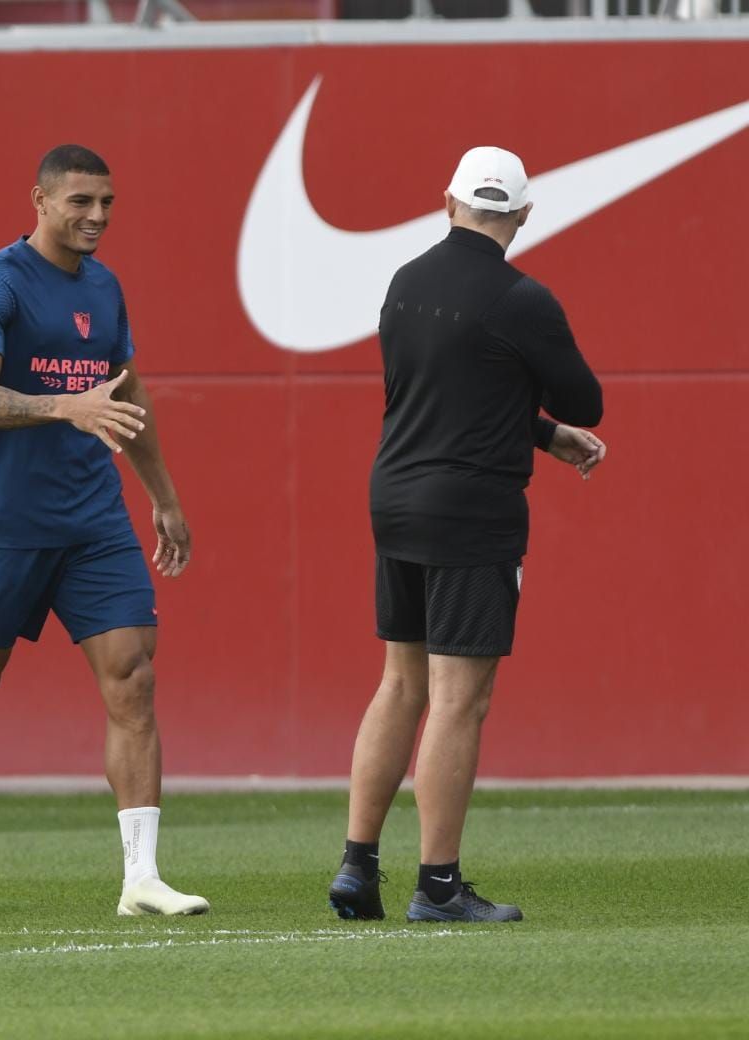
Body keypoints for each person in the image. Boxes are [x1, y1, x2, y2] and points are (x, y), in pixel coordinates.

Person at [0, 144, 207, 918]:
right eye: (80, 202)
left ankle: (140, 878)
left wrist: (162, 495)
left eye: (107, 204)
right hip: (7, 528)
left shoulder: (106, 287)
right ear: (40, 198)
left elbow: (127, 396)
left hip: (95, 523)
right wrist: (67, 406)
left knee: (134, 676)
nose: (96, 217)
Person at [328, 147, 606, 924]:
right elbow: (588, 397)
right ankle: (439, 887)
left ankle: (357, 866)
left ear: (447, 202)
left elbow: (447, 394)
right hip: (472, 511)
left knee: (400, 683)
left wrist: (541, 435)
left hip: (396, 498)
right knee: (459, 698)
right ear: (521, 215)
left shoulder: (405, 282)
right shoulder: (524, 299)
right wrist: (552, 417)